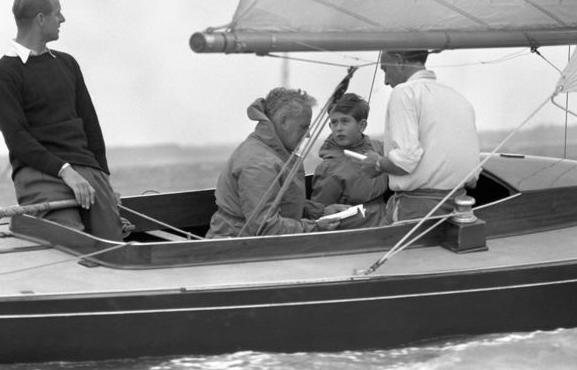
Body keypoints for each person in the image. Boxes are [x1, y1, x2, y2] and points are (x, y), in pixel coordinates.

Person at [0, 0, 124, 240]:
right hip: (40, 174)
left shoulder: (68, 64)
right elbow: (18, 140)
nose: (63, 19)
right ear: (40, 19)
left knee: (113, 242)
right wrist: (65, 171)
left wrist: (103, 179)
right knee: (74, 242)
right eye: (57, 13)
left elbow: (90, 125)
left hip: (86, 171)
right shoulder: (2, 76)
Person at [206, 88, 347, 237]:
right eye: (304, 127)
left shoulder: (274, 153)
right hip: (240, 248)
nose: (308, 135)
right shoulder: (258, 164)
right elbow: (266, 228)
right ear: (284, 121)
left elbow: (283, 202)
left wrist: (321, 212)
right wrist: (316, 227)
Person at [358, 50, 480, 223]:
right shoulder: (458, 97)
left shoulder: (404, 92)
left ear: (399, 61)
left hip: (416, 210)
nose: (385, 81)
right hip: (460, 209)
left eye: (385, 70)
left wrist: (377, 163)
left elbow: (405, 160)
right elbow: (473, 176)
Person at [310, 93, 388, 226]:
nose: (339, 128)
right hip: (355, 230)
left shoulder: (379, 149)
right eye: (334, 122)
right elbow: (322, 212)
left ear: (362, 125)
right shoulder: (329, 168)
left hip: (386, 219)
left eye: (345, 121)